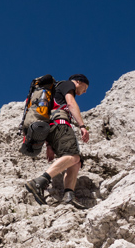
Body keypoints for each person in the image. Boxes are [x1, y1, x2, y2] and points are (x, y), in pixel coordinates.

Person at [25, 74, 90, 207]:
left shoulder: (55, 90)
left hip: (52, 127)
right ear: (78, 82)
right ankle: (39, 182)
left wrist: (49, 146)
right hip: (61, 124)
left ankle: (69, 195)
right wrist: (82, 126)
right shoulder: (67, 85)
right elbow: (71, 103)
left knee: (75, 163)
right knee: (73, 156)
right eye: (85, 87)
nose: (85, 91)